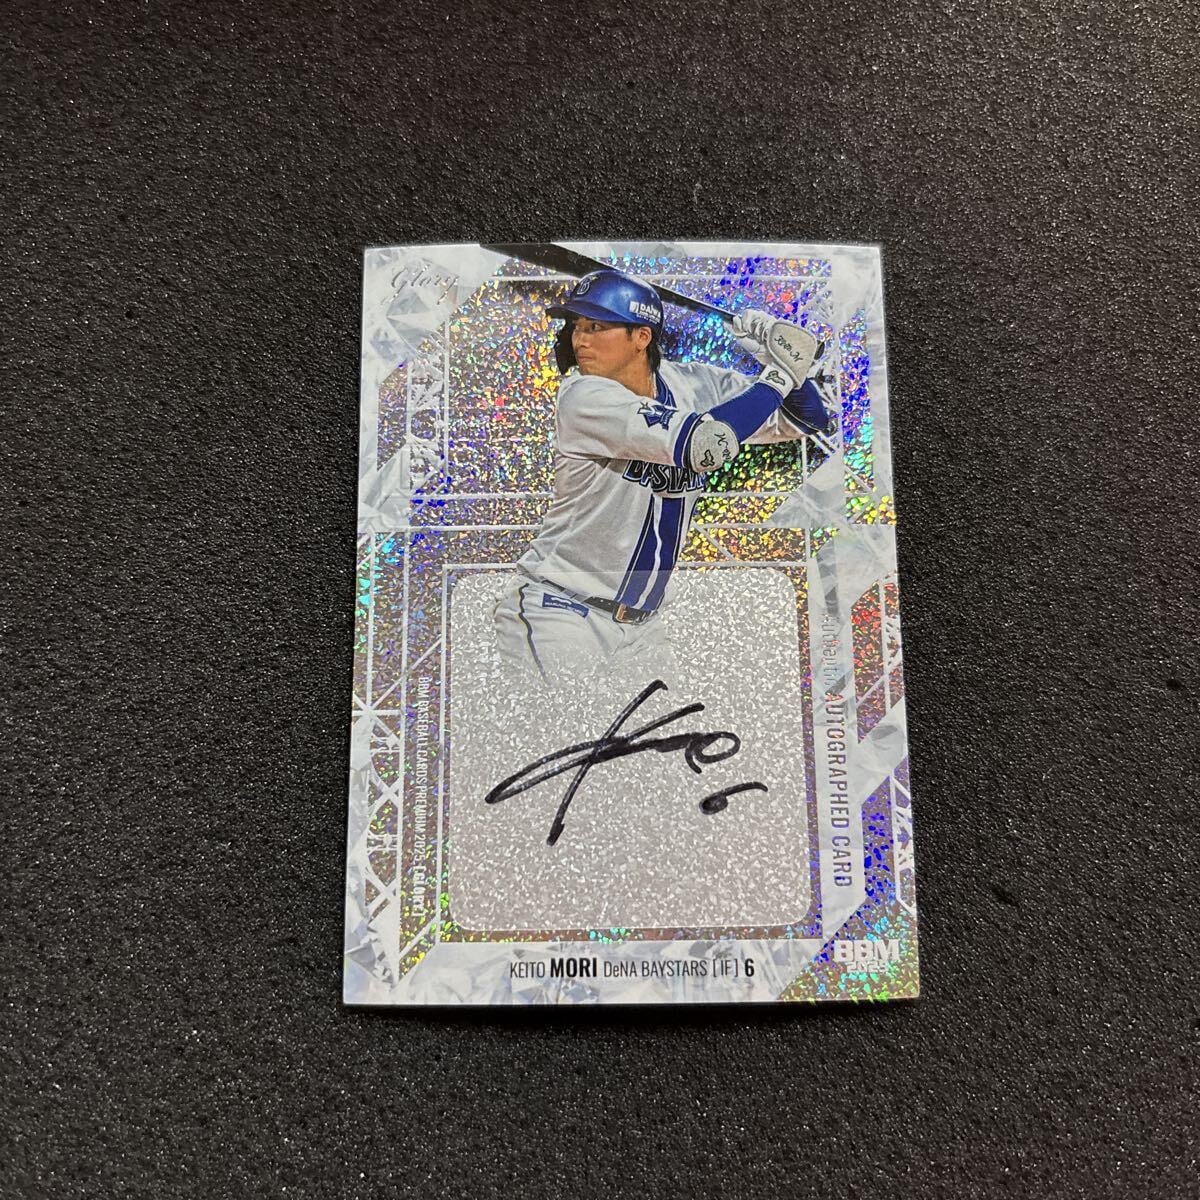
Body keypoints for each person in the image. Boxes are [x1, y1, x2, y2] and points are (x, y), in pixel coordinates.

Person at [493, 268, 836, 681]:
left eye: (596, 326)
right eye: (578, 326)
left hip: (641, 628)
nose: (579, 339)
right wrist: (781, 374)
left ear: (641, 337)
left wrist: (772, 356)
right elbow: (707, 446)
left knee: (669, 725)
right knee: (568, 722)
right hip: (562, 612)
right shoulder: (583, 396)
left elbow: (806, 417)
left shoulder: (691, 384)